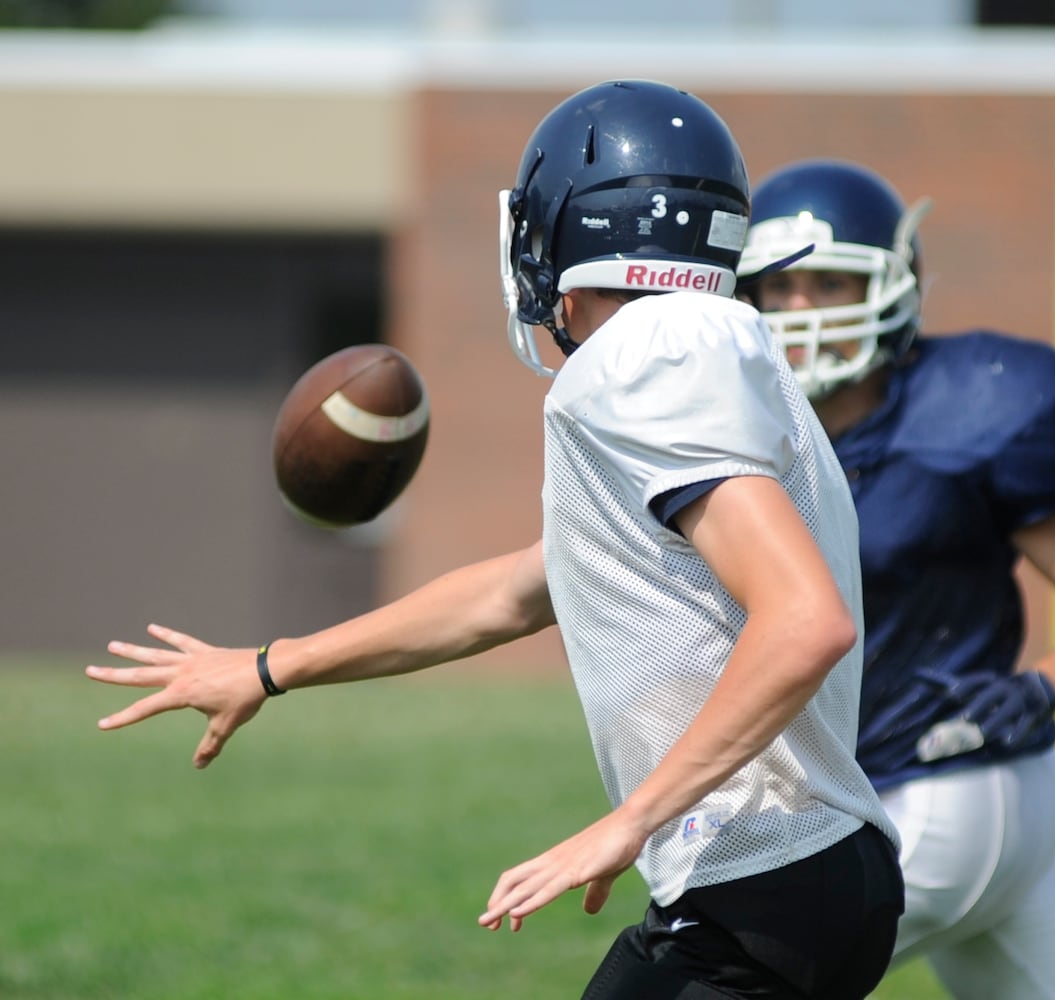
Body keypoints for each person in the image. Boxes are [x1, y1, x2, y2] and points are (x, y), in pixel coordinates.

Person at [86, 84, 904, 1000]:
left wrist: (626, 822)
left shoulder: (646, 354)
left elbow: (803, 621)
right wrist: (275, 666)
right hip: (800, 882)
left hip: (760, 890)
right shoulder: (713, 344)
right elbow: (517, 591)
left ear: (565, 227)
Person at [737, 158, 1055, 1000]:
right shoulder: (744, 428)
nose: (799, 312)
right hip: (963, 806)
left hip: (938, 790)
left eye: (828, 284)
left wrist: (1041, 688)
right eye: (779, 289)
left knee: (731, 983)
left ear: (893, 285)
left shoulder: (962, 417)